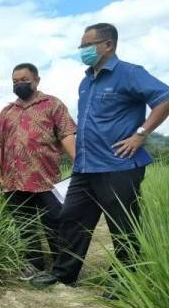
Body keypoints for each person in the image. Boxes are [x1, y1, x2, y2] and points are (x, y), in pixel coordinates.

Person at [31, 23, 169, 289]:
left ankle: (124, 281)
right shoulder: (86, 81)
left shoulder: (129, 73)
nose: (83, 50)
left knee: (123, 225)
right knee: (71, 218)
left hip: (118, 165)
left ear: (108, 45)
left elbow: (165, 97)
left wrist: (141, 134)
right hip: (86, 166)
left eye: (88, 44)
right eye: (81, 45)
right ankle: (64, 274)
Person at [0, 63, 76, 280]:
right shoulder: (7, 112)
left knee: (54, 222)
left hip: (46, 178)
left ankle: (61, 268)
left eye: (24, 80)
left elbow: (67, 134)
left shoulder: (53, 105)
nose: (19, 84)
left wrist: (79, 161)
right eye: (15, 81)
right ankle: (34, 264)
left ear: (36, 80)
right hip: (14, 180)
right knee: (25, 225)